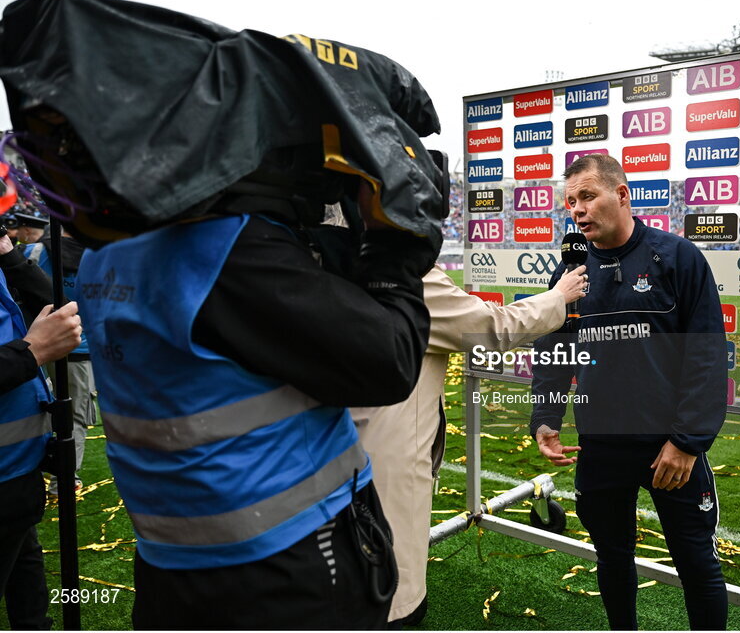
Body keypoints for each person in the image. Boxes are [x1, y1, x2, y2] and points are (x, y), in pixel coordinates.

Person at [76, 181, 437, 629]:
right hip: (287, 563)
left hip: (169, 560)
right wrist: (393, 249)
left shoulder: (103, 250)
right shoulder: (227, 246)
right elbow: (391, 361)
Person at [529, 154, 729, 630]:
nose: (577, 209)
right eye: (571, 201)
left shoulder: (677, 258)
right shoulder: (569, 277)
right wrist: (546, 419)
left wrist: (685, 442)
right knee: (612, 557)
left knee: (695, 562)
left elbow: (706, 358)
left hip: (669, 449)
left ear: (622, 195)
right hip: (601, 445)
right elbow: (555, 358)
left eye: (588, 196)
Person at [350, 262, 588, 627]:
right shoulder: (404, 273)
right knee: (389, 576)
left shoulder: (316, 258)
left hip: (333, 447)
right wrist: (559, 297)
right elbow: (492, 328)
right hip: (384, 457)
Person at [0, 228, 82, 630]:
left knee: (29, 593)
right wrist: (33, 352)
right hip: (4, 474)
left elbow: (60, 309)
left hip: (19, 467)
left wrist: (9, 255)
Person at [22, 229, 94, 493]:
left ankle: (28, 472)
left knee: (34, 408)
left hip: (34, 343)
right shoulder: (95, 253)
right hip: (77, 343)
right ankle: (64, 481)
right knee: (75, 414)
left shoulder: (33, 252)